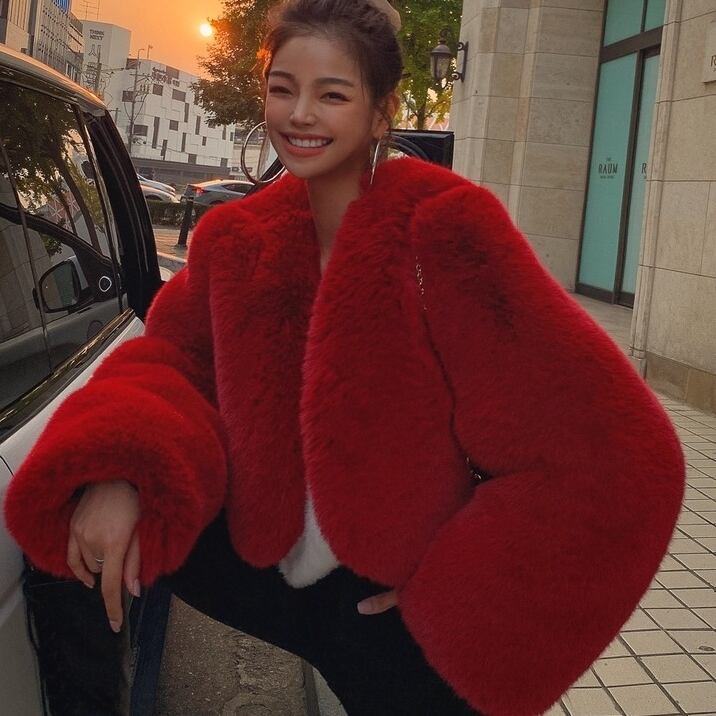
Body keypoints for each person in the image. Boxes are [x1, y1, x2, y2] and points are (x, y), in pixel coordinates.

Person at [4, 1, 685, 714]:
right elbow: (171, 361)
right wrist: (120, 471)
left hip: (392, 603)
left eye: (332, 94)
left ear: (381, 111)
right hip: (270, 568)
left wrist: (454, 597)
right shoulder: (239, 238)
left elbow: (617, 449)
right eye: (282, 88)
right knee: (69, 541)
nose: (300, 114)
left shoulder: (445, 226)